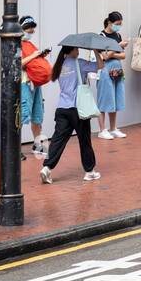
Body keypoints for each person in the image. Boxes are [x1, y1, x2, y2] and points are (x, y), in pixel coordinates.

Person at [38, 45, 102, 184]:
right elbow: (100, 65)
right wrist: (96, 50)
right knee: (84, 140)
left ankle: (47, 167)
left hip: (62, 108)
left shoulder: (59, 65)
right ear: (71, 51)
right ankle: (90, 172)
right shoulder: (79, 63)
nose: (78, 51)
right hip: (77, 109)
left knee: (58, 140)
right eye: (76, 49)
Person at [19, 15, 50, 158]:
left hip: (35, 83)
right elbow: (18, 63)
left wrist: (41, 55)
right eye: (29, 29)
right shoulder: (15, 44)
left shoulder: (29, 44)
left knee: (37, 115)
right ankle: (15, 149)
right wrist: (34, 56)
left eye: (32, 30)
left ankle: (39, 145)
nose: (31, 32)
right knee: (22, 115)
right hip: (24, 83)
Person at [95, 11, 127, 140]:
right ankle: (102, 129)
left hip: (117, 68)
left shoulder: (117, 35)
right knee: (104, 99)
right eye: (117, 24)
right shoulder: (101, 36)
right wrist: (117, 47)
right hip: (104, 70)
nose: (118, 26)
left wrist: (112, 53)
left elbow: (123, 55)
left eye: (120, 24)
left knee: (115, 98)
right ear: (109, 22)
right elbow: (103, 56)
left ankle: (113, 128)